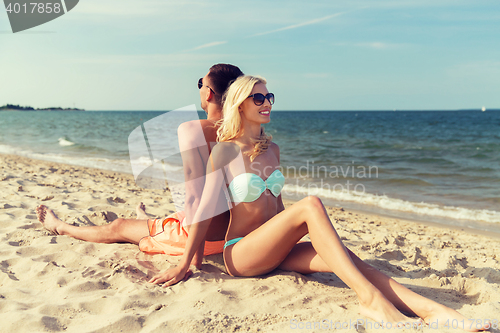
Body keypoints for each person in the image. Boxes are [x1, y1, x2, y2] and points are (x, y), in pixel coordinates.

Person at [149, 75, 489, 331]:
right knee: (311, 204)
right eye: (258, 98)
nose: (267, 102)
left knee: (348, 260)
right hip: (241, 254)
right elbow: (204, 208)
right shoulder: (225, 151)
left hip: (272, 249)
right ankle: (370, 301)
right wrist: (186, 262)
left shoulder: (272, 150)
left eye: (269, 96)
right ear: (240, 104)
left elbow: (277, 209)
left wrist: (303, 242)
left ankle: (435, 311)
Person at [36, 63, 244, 270]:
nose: (199, 88)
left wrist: (193, 261)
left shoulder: (192, 130)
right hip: (236, 234)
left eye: (201, 83)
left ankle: (60, 227)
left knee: (118, 226)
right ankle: (145, 220)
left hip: (203, 239)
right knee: (170, 218)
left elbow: (194, 198)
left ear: (208, 93)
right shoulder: (246, 134)